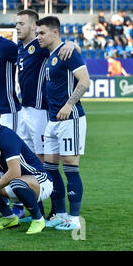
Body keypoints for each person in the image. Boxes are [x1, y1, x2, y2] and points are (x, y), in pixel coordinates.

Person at [15, 9, 80, 220]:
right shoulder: (19, 47)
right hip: (24, 110)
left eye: (21, 24)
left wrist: (73, 43)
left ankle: (57, 210)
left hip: (41, 111)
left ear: (34, 27)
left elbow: (63, 48)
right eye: (16, 23)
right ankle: (37, 209)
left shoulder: (40, 45)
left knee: (45, 164)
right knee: (28, 162)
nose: (17, 27)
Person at [36, 16, 90, 231]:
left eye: (42, 33)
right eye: (37, 33)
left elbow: (85, 81)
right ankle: (60, 213)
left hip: (71, 118)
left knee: (70, 167)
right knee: (50, 168)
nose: (38, 37)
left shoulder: (68, 54)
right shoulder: (50, 55)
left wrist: (69, 105)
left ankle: (75, 219)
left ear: (55, 32)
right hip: (52, 120)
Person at [0, 104, 53, 235]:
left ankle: (38, 219)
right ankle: (9, 217)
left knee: (16, 181)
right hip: (16, 180)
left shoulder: (7, 137)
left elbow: (15, 172)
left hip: (40, 180)